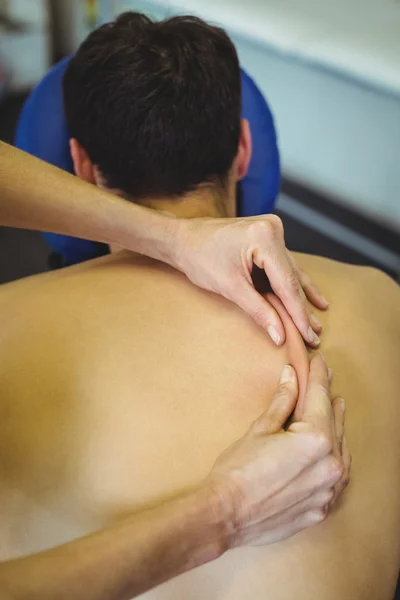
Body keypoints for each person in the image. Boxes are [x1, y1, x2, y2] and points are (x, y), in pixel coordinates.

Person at [0, 11, 397, 599]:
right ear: (243, 148)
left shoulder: (10, 325)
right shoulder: (382, 298)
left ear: (79, 164)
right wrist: (224, 514)